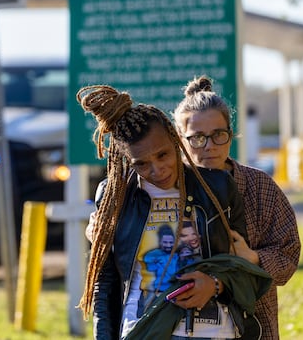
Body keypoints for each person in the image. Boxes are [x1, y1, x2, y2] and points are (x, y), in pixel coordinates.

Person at [77, 85, 271, 339]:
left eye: (163, 154)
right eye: (142, 164)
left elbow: (240, 269)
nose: (158, 170)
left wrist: (214, 285)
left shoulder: (218, 187)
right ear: (126, 159)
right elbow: (106, 283)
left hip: (213, 331)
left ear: (175, 140)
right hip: (142, 329)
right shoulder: (115, 196)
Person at [172, 75, 301, 340]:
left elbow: (288, 257)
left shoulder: (259, 186)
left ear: (231, 135)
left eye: (218, 135)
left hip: (252, 326)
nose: (209, 146)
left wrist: (253, 258)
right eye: (197, 138)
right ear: (180, 139)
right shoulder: (165, 189)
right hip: (176, 325)